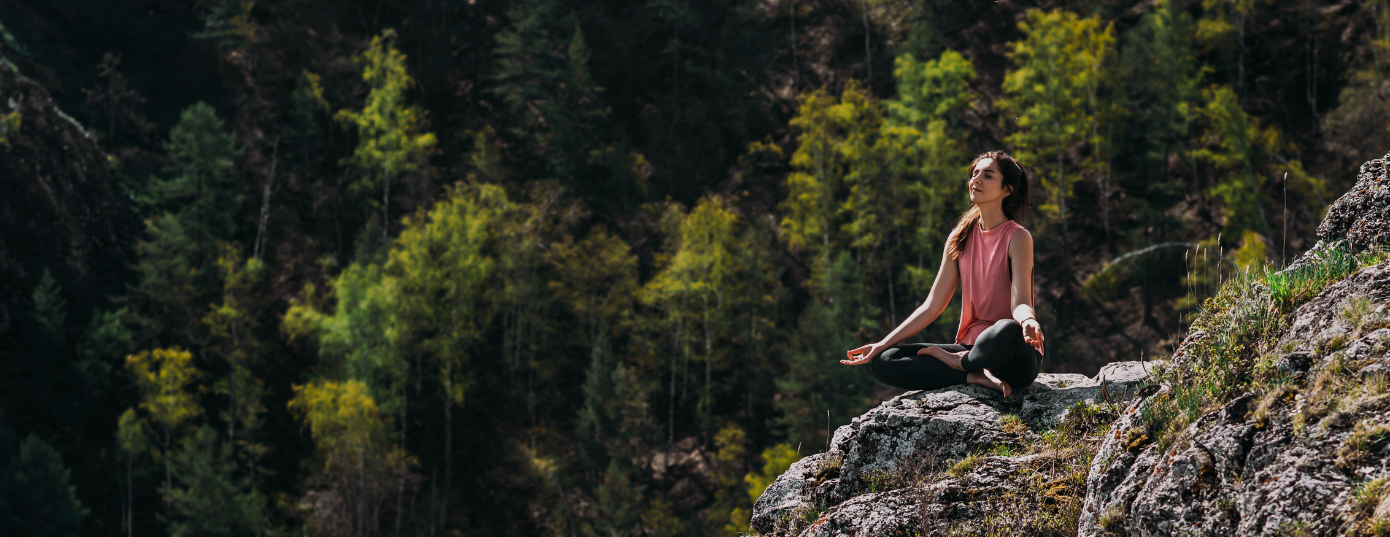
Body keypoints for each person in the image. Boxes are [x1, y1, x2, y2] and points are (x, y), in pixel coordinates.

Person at [842, 150, 1044, 397]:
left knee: (1007, 329)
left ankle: (964, 363)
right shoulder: (960, 237)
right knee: (886, 361)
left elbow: (1021, 301)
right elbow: (932, 305)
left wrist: (1028, 321)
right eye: (975, 173)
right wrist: (882, 344)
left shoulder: (1018, 237)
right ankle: (972, 374)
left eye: (988, 175)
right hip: (968, 347)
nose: (976, 179)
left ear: (1007, 189)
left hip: (1012, 355)